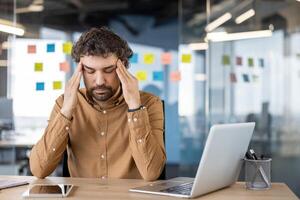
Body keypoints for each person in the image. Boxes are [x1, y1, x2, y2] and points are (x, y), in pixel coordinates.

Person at [29, 27, 166, 181]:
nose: (100, 81)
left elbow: (152, 173)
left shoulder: (149, 104)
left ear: (123, 68)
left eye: (109, 70)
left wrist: (135, 107)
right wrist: (66, 112)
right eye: (90, 71)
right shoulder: (64, 103)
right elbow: (38, 169)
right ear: (80, 70)